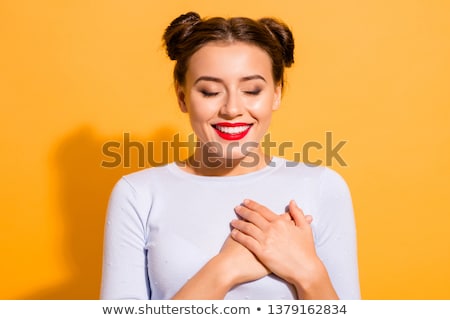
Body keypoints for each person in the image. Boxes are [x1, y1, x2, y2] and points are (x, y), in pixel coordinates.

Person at [100, 11, 360, 300]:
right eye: (210, 92)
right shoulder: (138, 194)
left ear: (276, 93)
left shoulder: (323, 186)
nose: (232, 108)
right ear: (183, 97)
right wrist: (225, 269)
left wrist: (308, 272)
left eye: (252, 90)